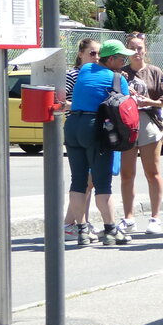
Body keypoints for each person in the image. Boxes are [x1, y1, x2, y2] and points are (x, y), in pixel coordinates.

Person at [61, 39, 134, 245]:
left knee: (78, 181)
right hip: (94, 128)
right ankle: (111, 230)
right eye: (122, 58)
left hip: (73, 125)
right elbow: (125, 108)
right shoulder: (118, 79)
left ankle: (82, 231)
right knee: (102, 183)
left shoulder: (85, 70)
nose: (124, 62)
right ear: (110, 59)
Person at [118, 34, 163, 235]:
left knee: (152, 173)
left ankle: (155, 218)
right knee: (127, 173)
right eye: (132, 48)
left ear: (145, 49)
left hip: (149, 124)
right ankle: (129, 218)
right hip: (126, 125)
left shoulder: (155, 72)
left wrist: (149, 102)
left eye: (140, 48)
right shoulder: (121, 73)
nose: (136, 52)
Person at [62, 38, 101, 242]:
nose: (96, 57)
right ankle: (71, 224)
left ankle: (80, 222)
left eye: (99, 53)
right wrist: (82, 105)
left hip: (93, 130)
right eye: (92, 53)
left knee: (90, 181)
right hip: (77, 128)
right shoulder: (72, 75)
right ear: (81, 54)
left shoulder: (98, 74)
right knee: (83, 180)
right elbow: (61, 102)